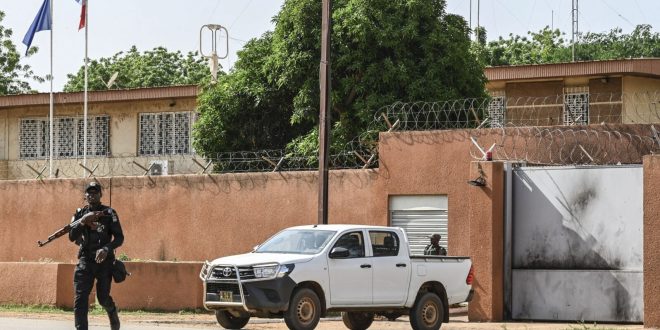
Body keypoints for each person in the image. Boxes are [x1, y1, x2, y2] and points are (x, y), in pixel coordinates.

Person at [68, 181, 124, 330]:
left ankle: (112, 312)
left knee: (103, 298)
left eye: (95, 192)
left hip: (104, 262)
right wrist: (82, 222)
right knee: (80, 299)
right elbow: (72, 237)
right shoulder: (79, 213)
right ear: (85, 195)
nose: (91, 195)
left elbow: (119, 238)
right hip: (85, 261)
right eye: (89, 192)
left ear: (100, 195)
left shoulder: (109, 213)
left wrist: (107, 248)